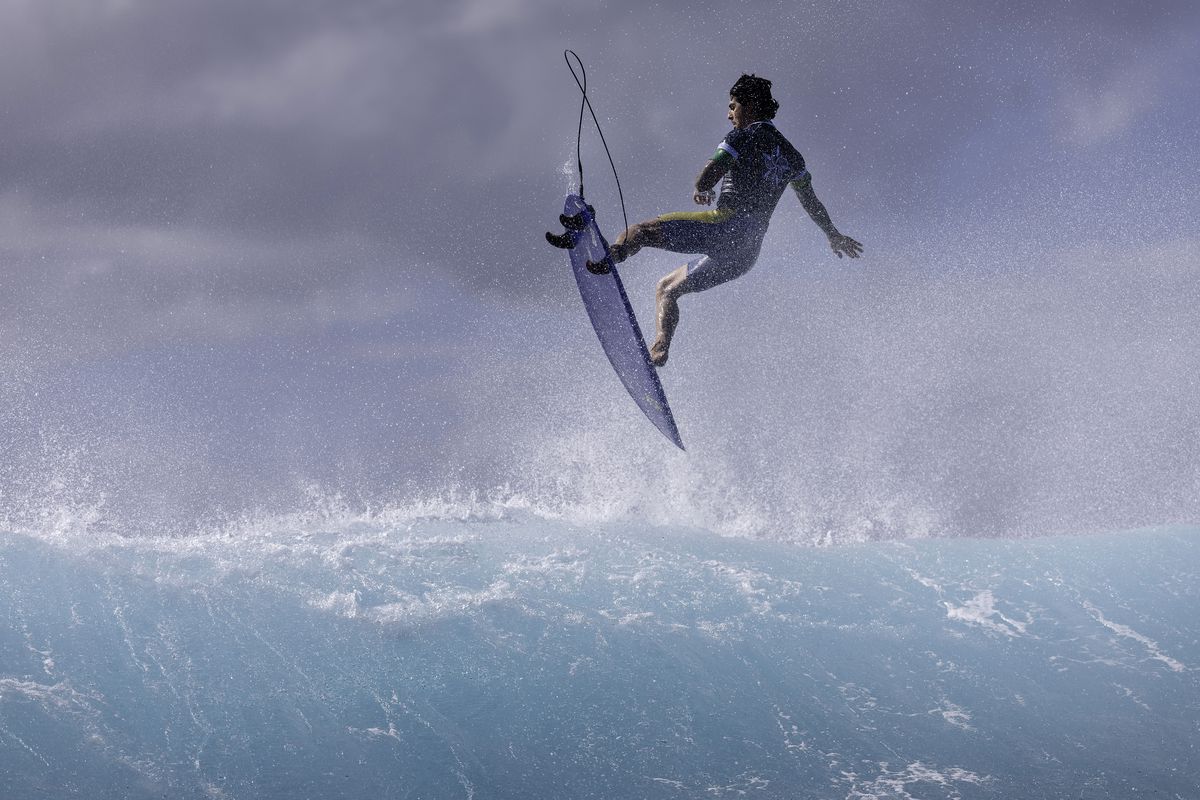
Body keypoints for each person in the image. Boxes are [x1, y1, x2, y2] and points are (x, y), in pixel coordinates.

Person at [589, 74, 863, 367]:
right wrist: (832, 234)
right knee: (667, 288)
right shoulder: (793, 156)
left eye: (734, 106)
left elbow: (709, 175)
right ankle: (659, 348)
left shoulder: (741, 137)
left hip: (726, 226)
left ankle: (612, 255)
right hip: (748, 251)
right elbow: (810, 201)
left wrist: (702, 187)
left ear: (751, 105)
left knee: (640, 231)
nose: (729, 114)